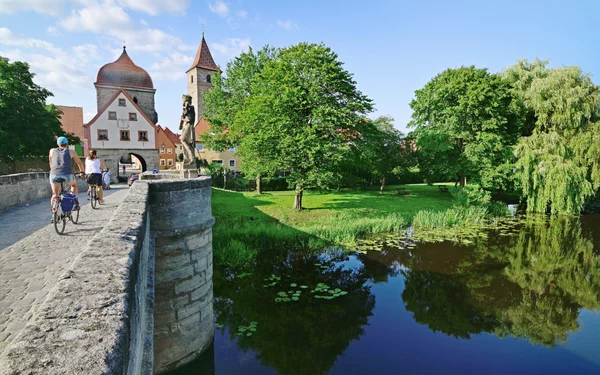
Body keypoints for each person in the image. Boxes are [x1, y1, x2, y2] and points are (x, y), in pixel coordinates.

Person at [49, 136, 85, 210]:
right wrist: (82, 172)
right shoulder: (71, 151)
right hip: (67, 174)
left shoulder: (52, 150)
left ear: (58, 143)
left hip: (54, 173)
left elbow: (51, 163)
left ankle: (53, 212)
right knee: (74, 185)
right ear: (67, 143)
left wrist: (53, 171)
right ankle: (75, 203)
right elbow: (80, 163)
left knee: (55, 194)